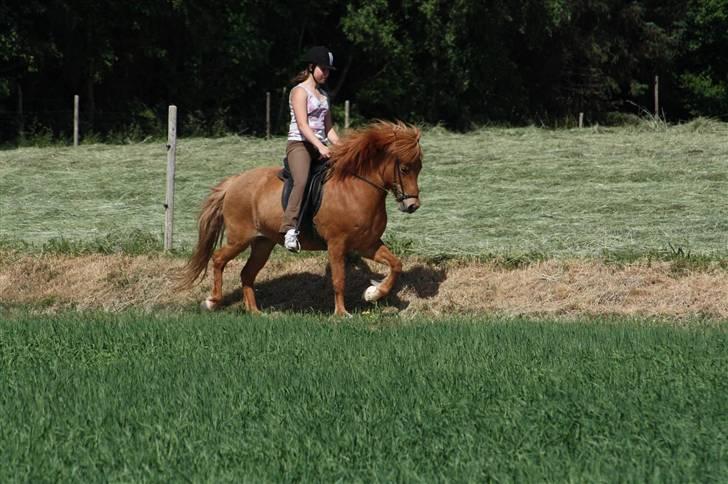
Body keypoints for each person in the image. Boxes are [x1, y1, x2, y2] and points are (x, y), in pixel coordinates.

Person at [280, 45, 340, 252]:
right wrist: (320, 147)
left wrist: (343, 148)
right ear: (311, 67)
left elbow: (329, 128)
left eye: (328, 70)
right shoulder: (299, 91)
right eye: (323, 69)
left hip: (320, 146)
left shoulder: (324, 96)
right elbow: (303, 125)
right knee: (302, 180)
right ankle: (290, 229)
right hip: (300, 145)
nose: (326, 73)